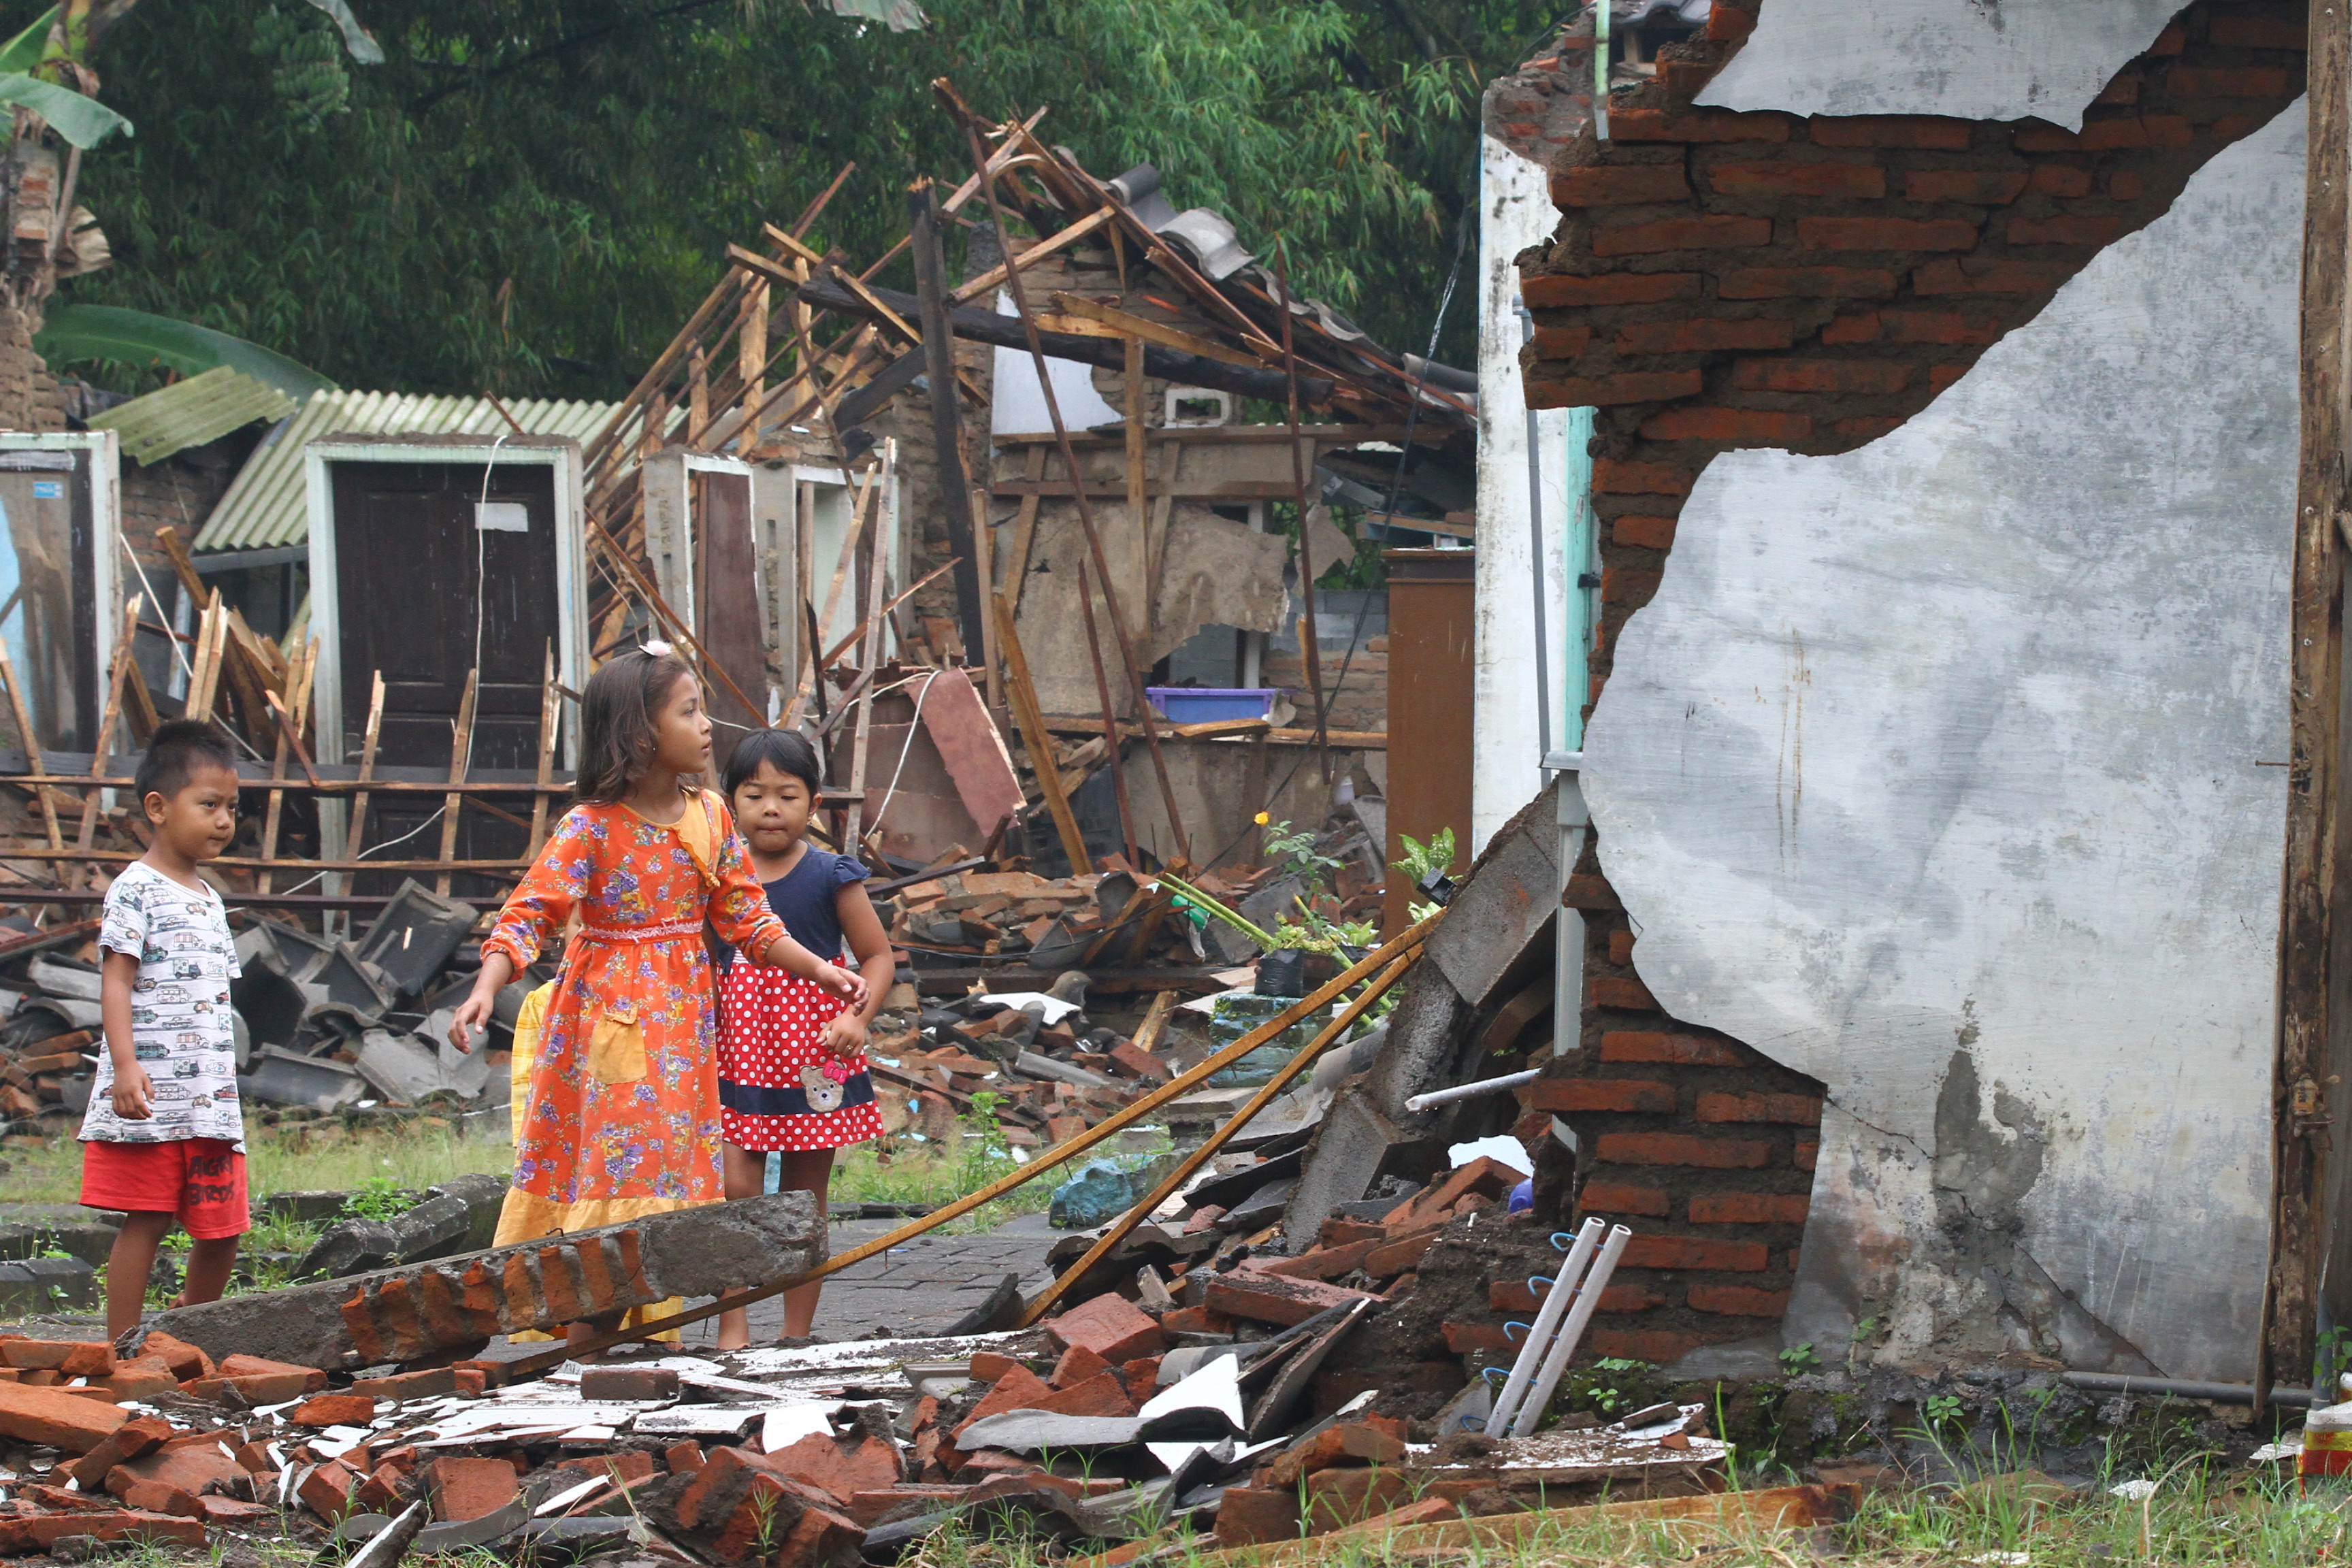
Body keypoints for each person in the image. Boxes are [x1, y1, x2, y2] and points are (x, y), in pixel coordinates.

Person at [447, 644, 866, 1345]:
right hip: (608, 1027)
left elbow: (749, 919)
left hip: (683, 1035)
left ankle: (624, 1345)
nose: (707, 727)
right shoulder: (591, 826)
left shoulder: (710, 816)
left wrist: (819, 970)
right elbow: (530, 912)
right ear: (641, 733)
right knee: (619, 1178)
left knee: (664, 1179)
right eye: (690, 712)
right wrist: (489, 984)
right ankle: (586, 1350)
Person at [710, 729, 894, 1349]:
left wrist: (856, 1020)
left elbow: (877, 958)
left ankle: (795, 1336)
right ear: (730, 803)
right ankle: (733, 1329)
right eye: (754, 795)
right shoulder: (719, 879)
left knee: (804, 1197)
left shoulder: (829, 874)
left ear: (813, 804)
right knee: (735, 1189)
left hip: (816, 1055)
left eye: (786, 796)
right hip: (737, 1051)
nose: (770, 809)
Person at [82, 719, 248, 1341]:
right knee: (147, 1218)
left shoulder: (209, 898)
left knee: (224, 1229)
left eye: (232, 807)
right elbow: (117, 982)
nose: (224, 821)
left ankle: (184, 1338)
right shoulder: (135, 890)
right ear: (158, 808)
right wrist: (125, 1067)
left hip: (210, 1103)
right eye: (209, 805)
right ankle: (122, 1350)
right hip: (152, 1099)